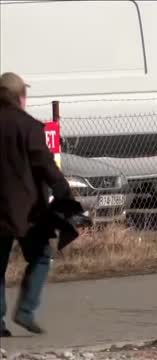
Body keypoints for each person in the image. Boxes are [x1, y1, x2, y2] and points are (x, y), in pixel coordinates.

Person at [0, 72, 75, 336]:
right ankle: (25, 310)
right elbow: (44, 165)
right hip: (27, 211)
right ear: (21, 97)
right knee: (41, 257)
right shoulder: (29, 126)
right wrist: (64, 192)